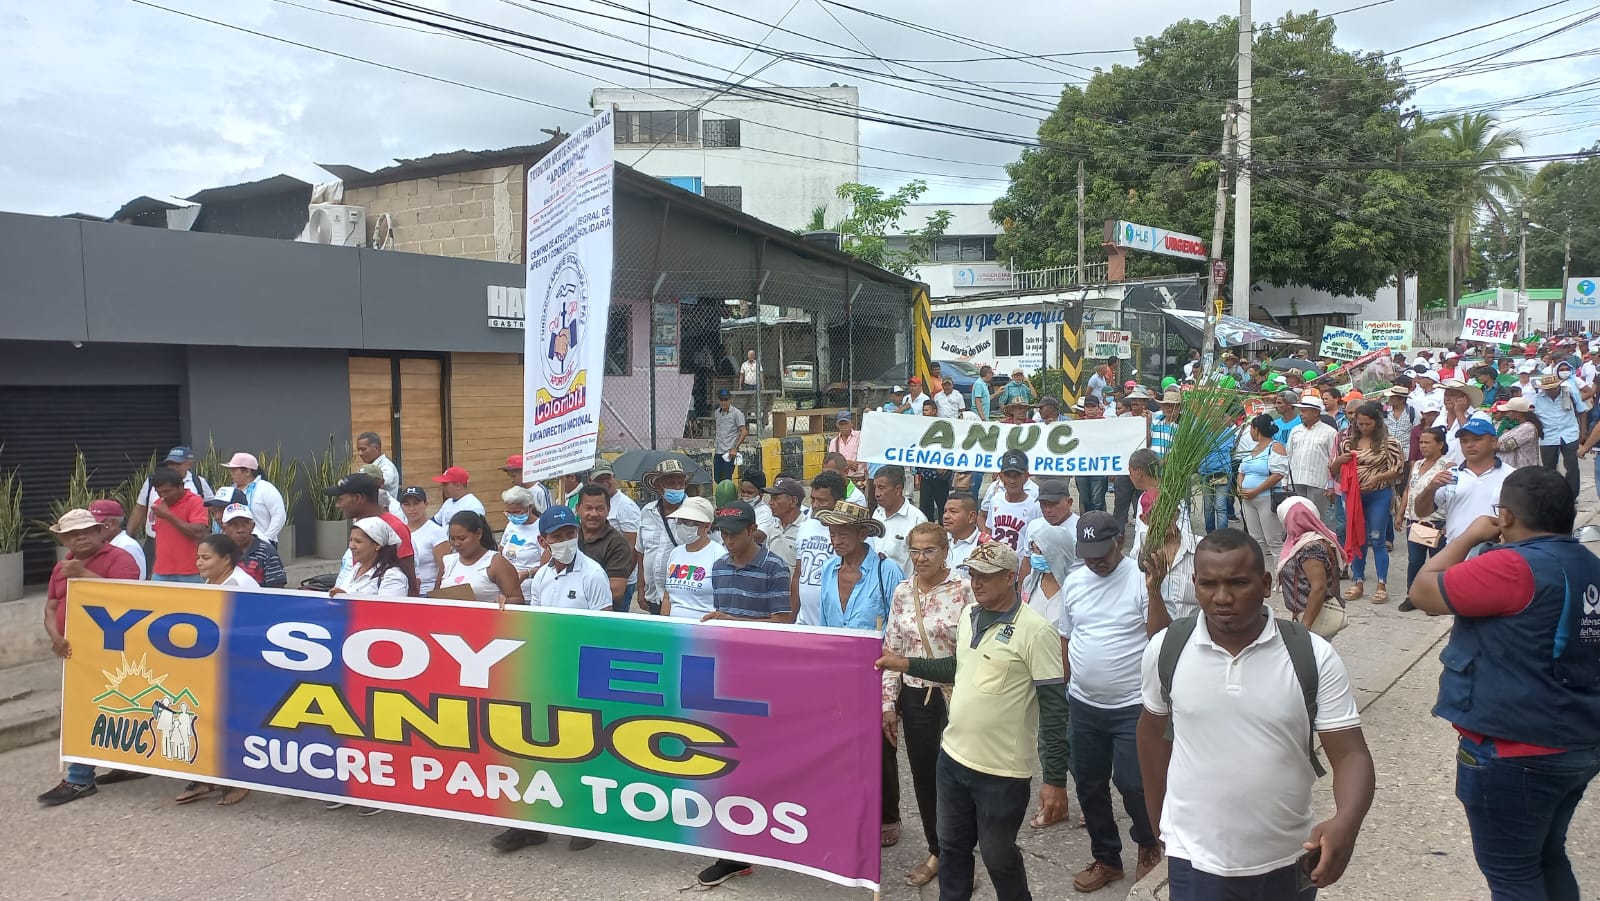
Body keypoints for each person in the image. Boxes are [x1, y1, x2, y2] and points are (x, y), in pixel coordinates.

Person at [1139, 528, 1375, 900]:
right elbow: (1152, 736)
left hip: (1289, 857)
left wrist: (1346, 823)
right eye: (1209, 584)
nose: (1222, 597)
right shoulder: (1166, 650)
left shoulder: (1312, 656)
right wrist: (1159, 828)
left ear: (1266, 584)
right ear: (1195, 584)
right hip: (1194, 860)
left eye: (1238, 583)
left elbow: (1350, 754)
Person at [1407, 467, 1600, 900]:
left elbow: (1423, 591)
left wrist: (1469, 536)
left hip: (1515, 750)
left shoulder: (1512, 566)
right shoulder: (1590, 565)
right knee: (1548, 857)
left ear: (1506, 516)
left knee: (1513, 877)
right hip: (1578, 742)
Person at [875, 542, 1069, 901]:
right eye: (973, 574)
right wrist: (906, 664)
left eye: (986, 576)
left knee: (998, 855)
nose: (976, 583)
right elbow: (958, 667)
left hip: (1001, 772)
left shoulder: (1036, 631)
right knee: (951, 849)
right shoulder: (968, 616)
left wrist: (1055, 780)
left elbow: (1055, 709)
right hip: (952, 760)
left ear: (1010, 578)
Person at [1056, 511, 1165, 892]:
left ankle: (1148, 843)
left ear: (1120, 542)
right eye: (1087, 554)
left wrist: (1155, 591)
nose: (1094, 561)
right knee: (1088, 783)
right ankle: (1106, 857)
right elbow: (1067, 635)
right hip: (1084, 705)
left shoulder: (1140, 580)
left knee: (1134, 783)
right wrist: (1066, 685)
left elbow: (1160, 636)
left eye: (1101, 553)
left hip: (1132, 705)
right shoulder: (1075, 581)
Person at [690, 500, 794, 889]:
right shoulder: (718, 566)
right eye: (723, 534)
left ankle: (766, 836)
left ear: (753, 531)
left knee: (759, 763)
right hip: (727, 677)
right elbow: (721, 620)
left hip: (763, 679)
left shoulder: (774, 567)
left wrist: (731, 621)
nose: (728, 541)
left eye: (734, 534)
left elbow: (783, 623)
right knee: (726, 760)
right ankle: (735, 850)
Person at [882, 522, 975, 888]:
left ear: (945, 552)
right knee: (925, 777)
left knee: (962, 776)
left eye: (929, 551)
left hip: (958, 695)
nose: (921, 558)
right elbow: (893, 650)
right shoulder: (903, 592)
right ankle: (938, 851)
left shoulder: (964, 589)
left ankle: (964, 854)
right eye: (915, 551)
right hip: (916, 695)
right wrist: (888, 704)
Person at [35, 508, 144, 808]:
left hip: (113, 651)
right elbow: (50, 608)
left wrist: (84, 575)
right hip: (76, 653)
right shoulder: (61, 567)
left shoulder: (120, 559)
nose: (79, 538)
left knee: (93, 709)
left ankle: (80, 778)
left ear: (100, 531)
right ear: (63, 540)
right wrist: (55, 637)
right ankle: (118, 766)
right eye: (72, 534)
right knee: (96, 709)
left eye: (85, 531)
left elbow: (129, 601)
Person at [1332, 403, 1404, 604]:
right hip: (1353, 496)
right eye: (1360, 424)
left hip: (1378, 494)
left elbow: (1398, 469)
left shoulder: (1389, 443)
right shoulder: (1347, 443)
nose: (1364, 427)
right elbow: (1334, 471)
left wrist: (1378, 477)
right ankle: (1358, 580)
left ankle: (1381, 584)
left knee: (1377, 539)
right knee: (1357, 539)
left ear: (1376, 423)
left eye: (1368, 424)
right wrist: (1339, 461)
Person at [1413, 419, 1511, 544]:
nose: (1469, 445)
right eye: (1464, 441)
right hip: (1456, 551)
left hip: (1496, 551)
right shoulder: (1450, 475)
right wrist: (1430, 488)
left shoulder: (1511, 476)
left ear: (1493, 441)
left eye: (1477, 439)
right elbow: (1421, 511)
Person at [328, 473, 420, 596]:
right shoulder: (359, 524)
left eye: (340, 499)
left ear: (358, 498)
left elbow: (409, 578)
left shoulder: (395, 528)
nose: (338, 505)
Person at [1395, 427, 1450, 610]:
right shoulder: (1417, 464)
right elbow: (1408, 489)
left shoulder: (1448, 466)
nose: (1423, 446)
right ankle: (1412, 596)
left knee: (1436, 563)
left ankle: (1435, 599)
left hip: (1436, 521)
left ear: (1440, 444)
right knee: (1415, 561)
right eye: (1421, 442)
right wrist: (1401, 512)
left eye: (1427, 442)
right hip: (1415, 521)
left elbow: (1452, 495)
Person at [1276, 497, 1346, 638]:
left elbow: (1319, 588)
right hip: (1309, 614)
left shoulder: (1310, 547)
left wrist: (1305, 626)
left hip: (1314, 617)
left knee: (1313, 651)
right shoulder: (1303, 541)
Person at [525, 504, 612, 612]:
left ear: (577, 533)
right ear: (542, 541)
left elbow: (603, 620)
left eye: (570, 534)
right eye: (557, 536)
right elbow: (536, 616)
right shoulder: (541, 576)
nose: (565, 541)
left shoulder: (594, 575)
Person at [1019, 478, 1078, 624]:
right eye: (1043, 505)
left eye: (1054, 504)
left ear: (1069, 502)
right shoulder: (1034, 525)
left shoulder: (1080, 528)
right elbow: (1027, 561)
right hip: (1037, 591)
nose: (1048, 510)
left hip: (1067, 594)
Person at [129, 446, 215, 546]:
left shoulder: (198, 482)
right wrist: (128, 535)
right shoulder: (152, 481)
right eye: (170, 464)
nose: (173, 467)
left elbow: (213, 507)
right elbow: (140, 508)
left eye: (178, 464)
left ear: (189, 464)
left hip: (186, 541)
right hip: (154, 540)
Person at [791, 470, 845, 626]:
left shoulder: (851, 534)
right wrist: (792, 616)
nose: (815, 505)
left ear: (839, 501)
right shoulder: (805, 527)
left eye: (822, 501)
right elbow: (799, 573)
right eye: (813, 499)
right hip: (804, 622)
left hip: (834, 625)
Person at [638, 459, 691, 615]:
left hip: (682, 599)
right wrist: (641, 589)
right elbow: (641, 551)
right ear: (658, 485)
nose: (677, 487)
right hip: (654, 597)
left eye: (680, 483)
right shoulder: (647, 512)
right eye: (671, 483)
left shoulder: (693, 513)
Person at [437, 511, 523, 604]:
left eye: (462, 538)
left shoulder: (496, 563)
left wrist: (504, 602)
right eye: (452, 539)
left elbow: (517, 599)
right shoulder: (448, 562)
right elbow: (435, 597)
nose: (456, 544)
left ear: (478, 534)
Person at [1236, 413, 1289, 562]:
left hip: (1266, 497)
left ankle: (1281, 574)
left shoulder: (1276, 447)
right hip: (1248, 499)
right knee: (1255, 540)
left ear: (1256, 429)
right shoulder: (1253, 448)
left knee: (1273, 540)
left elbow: (1278, 474)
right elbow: (1241, 471)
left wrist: (1256, 490)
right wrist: (1240, 488)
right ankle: (1258, 572)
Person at [147, 467, 210, 583]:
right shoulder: (158, 505)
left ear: (181, 486)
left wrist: (168, 516)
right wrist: (154, 569)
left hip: (190, 572)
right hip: (161, 572)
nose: (163, 496)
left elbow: (198, 533)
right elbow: (161, 539)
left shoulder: (195, 502)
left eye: (167, 491)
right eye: (159, 492)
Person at [574, 485, 632, 610]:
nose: (593, 514)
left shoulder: (617, 544)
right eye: (588, 508)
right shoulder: (570, 538)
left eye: (600, 509)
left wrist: (572, 595)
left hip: (601, 614)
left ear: (608, 509)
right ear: (578, 509)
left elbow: (616, 591)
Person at [660, 498, 718, 620]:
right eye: (680, 521)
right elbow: (667, 597)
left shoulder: (718, 555)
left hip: (704, 626)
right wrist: (663, 624)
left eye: (690, 523)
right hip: (674, 626)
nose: (682, 526)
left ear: (707, 526)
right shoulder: (675, 553)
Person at [1532, 372, 1586, 497]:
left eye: (1552, 388)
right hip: (1548, 437)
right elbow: (1532, 416)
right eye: (1547, 389)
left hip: (1569, 433)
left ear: (1558, 386)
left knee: (1572, 466)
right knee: (1549, 469)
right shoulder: (1537, 398)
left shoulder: (1570, 393)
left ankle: (1572, 495)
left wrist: (1583, 431)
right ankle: (1553, 495)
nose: (1550, 391)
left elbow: (1582, 410)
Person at [1286, 394, 1339, 520]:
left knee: (1317, 518)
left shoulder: (1330, 432)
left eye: (1304, 411)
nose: (1301, 414)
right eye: (1300, 411)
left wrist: (1331, 485)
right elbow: (1288, 456)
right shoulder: (1295, 430)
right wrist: (1285, 480)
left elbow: (1334, 459)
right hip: (1296, 481)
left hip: (1318, 482)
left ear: (1315, 412)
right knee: (1299, 518)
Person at [332, 517, 408, 598]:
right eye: (351, 540)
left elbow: (388, 606)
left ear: (377, 545)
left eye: (358, 541)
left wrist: (347, 599)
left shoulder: (392, 576)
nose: (351, 546)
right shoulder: (356, 568)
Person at [871, 465, 927, 572]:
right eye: (875, 487)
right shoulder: (877, 513)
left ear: (897, 490)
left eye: (881, 488)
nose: (877, 494)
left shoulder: (917, 519)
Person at [218, 504, 287, 588]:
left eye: (245, 523)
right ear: (224, 528)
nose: (240, 530)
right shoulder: (219, 550)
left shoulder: (266, 551)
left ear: (253, 526)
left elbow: (277, 588)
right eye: (233, 524)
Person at [986, 449, 1040, 552]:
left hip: (1021, 560)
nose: (1012, 481)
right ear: (1001, 476)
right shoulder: (995, 500)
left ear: (1026, 477)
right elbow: (989, 530)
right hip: (995, 559)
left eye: (1017, 476)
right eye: (1008, 475)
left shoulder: (1035, 506)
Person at [398, 487, 448, 593]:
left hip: (427, 591)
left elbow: (444, 568)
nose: (412, 508)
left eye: (416, 503)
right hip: (403, 590)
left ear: (425, 504)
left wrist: (436, 593)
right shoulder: (399, 532)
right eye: (407, 504)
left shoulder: (437, 532)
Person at [498, 486, 544, 598]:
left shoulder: (541, 528)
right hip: (507, 588)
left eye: (516, 512)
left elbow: (547, 566)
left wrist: (527, 573)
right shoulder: (511, 525)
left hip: (529, 590)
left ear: (529, 507)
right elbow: (501, 550)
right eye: (508, 512)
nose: (512, 516)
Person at [88, 499, 146, 580]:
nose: (90, 529)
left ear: (113, 524)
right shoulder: (100, 544)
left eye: (96, 525)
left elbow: (133, 582)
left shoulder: (127, 546)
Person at [761, 476, 807, 567]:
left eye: (775, 498)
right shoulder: (773, 528)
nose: (770, 502)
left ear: (793, 501)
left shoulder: (806, 529)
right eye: (771, 498)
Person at [942, 493, 988, 572]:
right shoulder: (938, 540)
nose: (946, 516)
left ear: (971, 516)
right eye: (945, 511)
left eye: (953, 512)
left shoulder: (985, 547)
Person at [1496, 395, 1542, 469]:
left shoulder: (1527, 428)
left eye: (1509, 411)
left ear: (1518, 413)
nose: (1507, 414)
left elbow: (1506, 446)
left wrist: (1488, 446)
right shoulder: (1521, 426)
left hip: (1522, 470)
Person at [712, 388, 748, 484]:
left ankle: (728, 493)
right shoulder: (717, 413)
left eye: (726, 400)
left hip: (729, 451)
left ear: (730, 400)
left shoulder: (736, 414)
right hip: (718, 450)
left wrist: (735, 447)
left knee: (726, 479)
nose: (724, 402)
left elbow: (743, 431)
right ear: (718, 400)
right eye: (721, 400)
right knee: (717, 478)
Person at [736, 469, 779, 540]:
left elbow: (760, 536)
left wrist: (733, 532)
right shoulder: (738, 507)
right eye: (743, 492)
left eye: (749, 493)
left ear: (761, 493)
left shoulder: (765, 512)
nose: (745, 495)